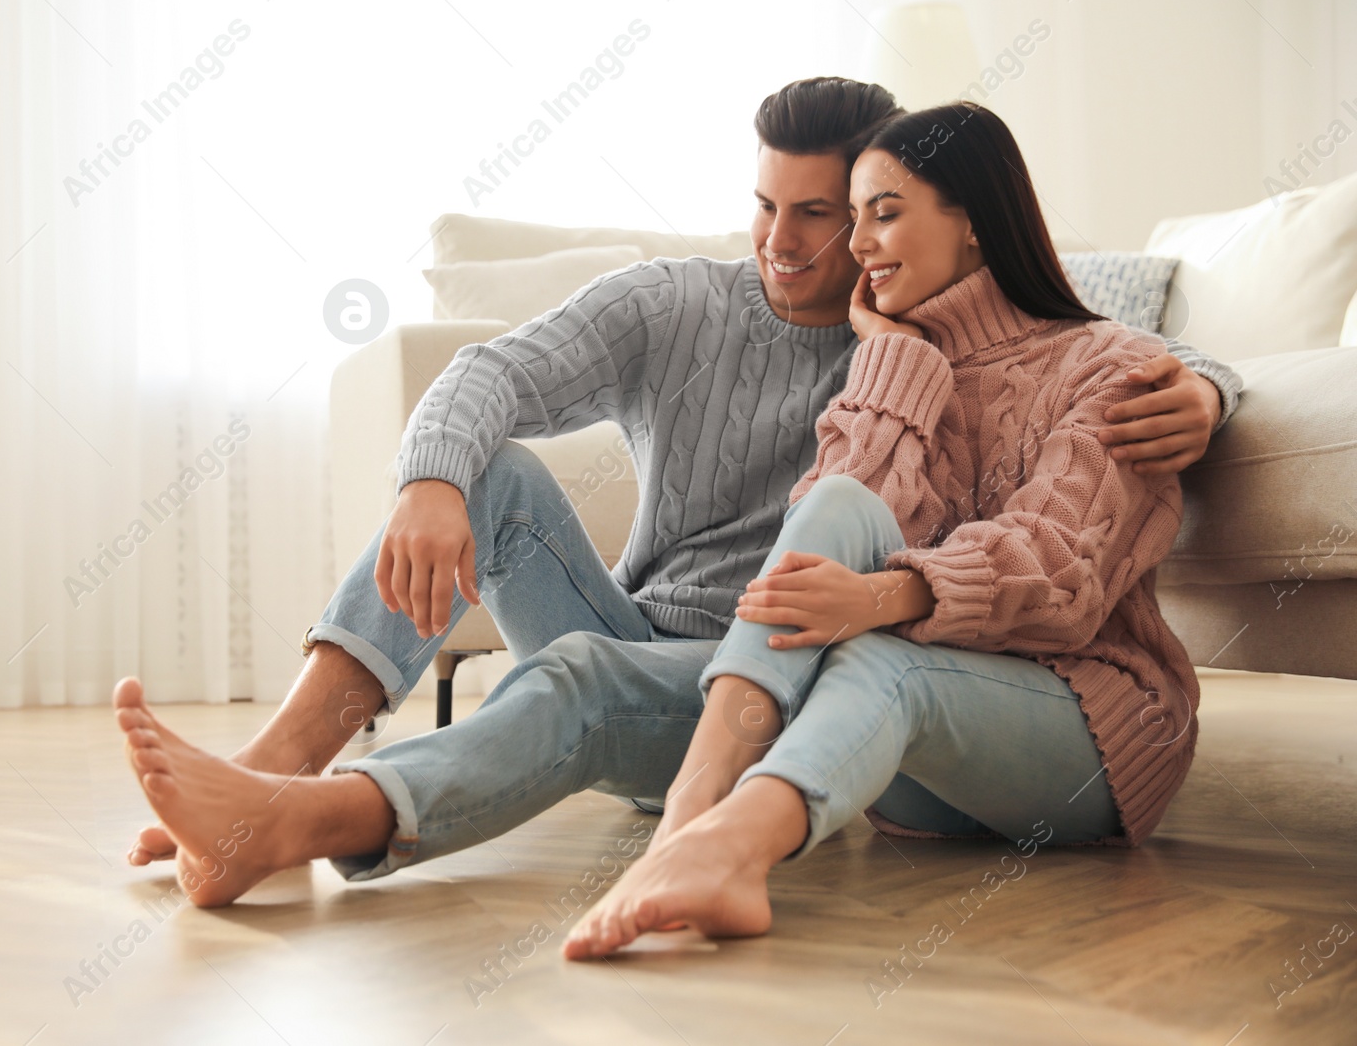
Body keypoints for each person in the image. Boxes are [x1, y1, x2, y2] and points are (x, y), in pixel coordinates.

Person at [114, 79, 1240, 910]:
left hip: (807, 658)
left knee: (601, 670)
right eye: (771, 206)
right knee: (493, 478)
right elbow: (489, 373)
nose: (791, 243)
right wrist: (428, 478)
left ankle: (310, 825)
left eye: (837, 214)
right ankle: (271, 769)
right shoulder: (683, 304)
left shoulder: (911, 357)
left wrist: (1208, 389)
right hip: (686, 632)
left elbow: (1086, 366)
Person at [560, 101, 1206, 958]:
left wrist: (883, 594)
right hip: (923, 774)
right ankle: (689, 816)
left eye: (886, 213)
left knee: (882, 657)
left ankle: (719, 848)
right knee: (836, 519)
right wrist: (891, 359)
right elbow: (832, 518)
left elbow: (1059, 573)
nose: (857, 245)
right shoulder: (901, 371)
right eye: (855, 217)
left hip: (1093, 738)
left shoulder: (1110, 366)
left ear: (973, 221)